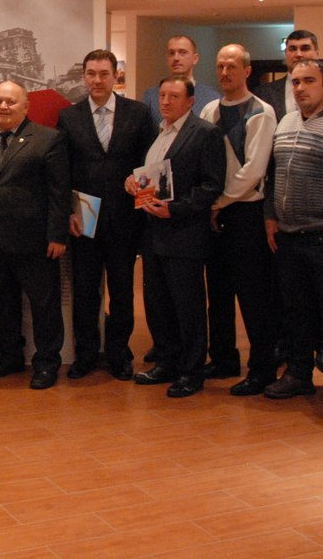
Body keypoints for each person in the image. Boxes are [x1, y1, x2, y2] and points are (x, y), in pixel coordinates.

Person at [262, 59, 323, 412]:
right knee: (295, 312)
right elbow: (273, 175)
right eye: (296, 81)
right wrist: (270, 215)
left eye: (309, 81)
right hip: (288, 236)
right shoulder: (285, 121)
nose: (300, 87)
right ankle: (298, 374)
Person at [56, 49, 155, 381]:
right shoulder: (68, 117)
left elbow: (149, 162)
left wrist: (142, 199)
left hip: (125, 218)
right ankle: (85, 354)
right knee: (85, 291)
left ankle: (118, 354)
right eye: (91, 74)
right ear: (83, 76)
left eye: (103, 74)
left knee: (122, 292)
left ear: (115, 76)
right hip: (84, 216)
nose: (97, 80)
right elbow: (62, 171)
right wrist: (69, 212)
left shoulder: (138, 113)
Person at [126, 77, 226, 398]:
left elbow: (211, 186)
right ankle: (166, 362)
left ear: (190, 101)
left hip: (185, 234)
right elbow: (151, 178)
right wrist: (133, 182)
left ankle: (191, 371)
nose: (166, 102)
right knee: (158, 303)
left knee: (188, 307)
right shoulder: (159, 133)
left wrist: (176, 210)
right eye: (162, 96)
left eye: (174, 96)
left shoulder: (205, 133)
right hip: (153, 233)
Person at [0, 80, 69, 390]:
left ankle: (47, 362)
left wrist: (58, 235)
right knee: (2, 302)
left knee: (44, 304)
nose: (3, 106)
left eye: (11, 102)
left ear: (26, 106)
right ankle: (10, 355)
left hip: (35, 240)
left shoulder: (48, 139)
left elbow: (59, 192)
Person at [198, 45, 280, 394]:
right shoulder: (210, 109)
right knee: (217, 291)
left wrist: (218, 202)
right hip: (215, 210)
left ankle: (262, 369)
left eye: (232, 66)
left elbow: (253, 170)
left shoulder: (261, 111)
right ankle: (223, 359)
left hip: (245, 212)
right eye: (220, 66)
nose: (225, 72)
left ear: (247, 71)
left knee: (253, 295)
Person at [255, 29, 323, 120]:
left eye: (305, 48)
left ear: (317, 54)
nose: (298, 54)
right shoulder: (264, 93)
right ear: (286, 54)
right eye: (293, 49)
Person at [140, 36, 221, 126]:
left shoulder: (211, 97)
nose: (176, 58)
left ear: (195, 58)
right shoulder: (151, 96)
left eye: (182, 52)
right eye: (171, 53)